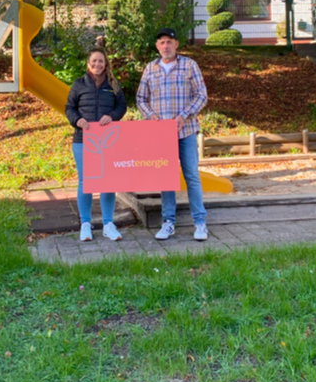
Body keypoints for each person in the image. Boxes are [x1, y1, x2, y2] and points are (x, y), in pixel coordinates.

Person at [136, 27, 208, 241]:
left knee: (192, 176)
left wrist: (184, 115)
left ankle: (200, 222)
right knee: (166, 179)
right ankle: (168, 222)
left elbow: (201, 95)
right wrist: (150, 116)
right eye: (161, 43)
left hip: (185, 131)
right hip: (161, 135)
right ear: (157, 47)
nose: (165, 46)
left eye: (169, 42)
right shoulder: (150, 69)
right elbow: (141, 98)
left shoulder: (189, 65)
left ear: (176, 44)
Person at [64, 46, 128, 242]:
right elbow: (69, 108)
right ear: (88, 64)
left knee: (107, 181)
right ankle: (85, 224)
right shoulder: (78, 84)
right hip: (83, 141)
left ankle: (108, 223)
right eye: (94, 61)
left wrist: (112, 116)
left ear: (105, 63)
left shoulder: (113, 85)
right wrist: (77, 120)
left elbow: (122, 106)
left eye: (101, 61)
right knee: (85, 182)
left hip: (107, 142)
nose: (97, 64)